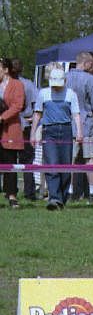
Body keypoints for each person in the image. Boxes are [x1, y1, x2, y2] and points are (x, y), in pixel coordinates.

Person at [30, 68, 83, 210]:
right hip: (49, 131)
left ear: (64, 82)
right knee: (52, 165)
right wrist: (33, 133)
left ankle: (62, 197)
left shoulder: (71, 94)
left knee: (65, 166)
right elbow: (37, 113)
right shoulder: (43, 93)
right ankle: (54, 198)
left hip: (66, 130)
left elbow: (76, 114)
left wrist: (79, 132)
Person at [65, 51, 93, 201]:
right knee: (90, 158)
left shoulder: (65, 77)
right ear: (86, 63)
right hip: (88, 123)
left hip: (69, 123)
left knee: (72, 158)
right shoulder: (90, 79)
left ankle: (69, 189)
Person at [0, 57, 26, 208]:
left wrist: (2, 118)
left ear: (5, 69)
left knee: (9, 163)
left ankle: (12, 195)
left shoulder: (17, 85)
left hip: (9, 129)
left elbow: (17, 106)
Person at [12, 58, 39, 200]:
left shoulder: (6, 85)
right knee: (28, 161)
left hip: (10, 126)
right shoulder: (29, 84)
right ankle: (29, 192)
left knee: (9, 160)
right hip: (26, 126)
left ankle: (11, 190)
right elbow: (37, 107)